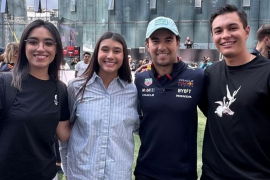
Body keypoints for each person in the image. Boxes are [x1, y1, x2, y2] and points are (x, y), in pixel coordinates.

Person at [201, 4, 270, 180]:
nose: (225, 35)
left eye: (232, 28)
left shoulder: (267, 73)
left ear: (247, 31)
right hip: (212, 176)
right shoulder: (209, 74)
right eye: (218, 31)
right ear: (213, 36)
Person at [60, 32, 139, 179]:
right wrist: (68, 172)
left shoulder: (133, 92)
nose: (110, 56)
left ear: (124, 55)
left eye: (116, 51)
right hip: (81, 175)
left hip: (118, 175)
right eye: (105, 50)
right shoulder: (75, 88)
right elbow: (64, 137)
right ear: (97, 53)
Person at [134, 16, 205, 180]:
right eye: (155, 40)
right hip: (145, 172)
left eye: (168, 40)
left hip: (183, 175)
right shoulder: (140, 80)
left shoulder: (198, 77)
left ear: (178, 42)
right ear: (147, 45)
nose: (162, 47)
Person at [0, 19, 72, 180]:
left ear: (56, 49)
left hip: (46, 175)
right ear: (24, 46)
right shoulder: (5, 83)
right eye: (33, 42)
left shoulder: (60, 89)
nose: (41, 48)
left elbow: (64, 133)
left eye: (48, 43)